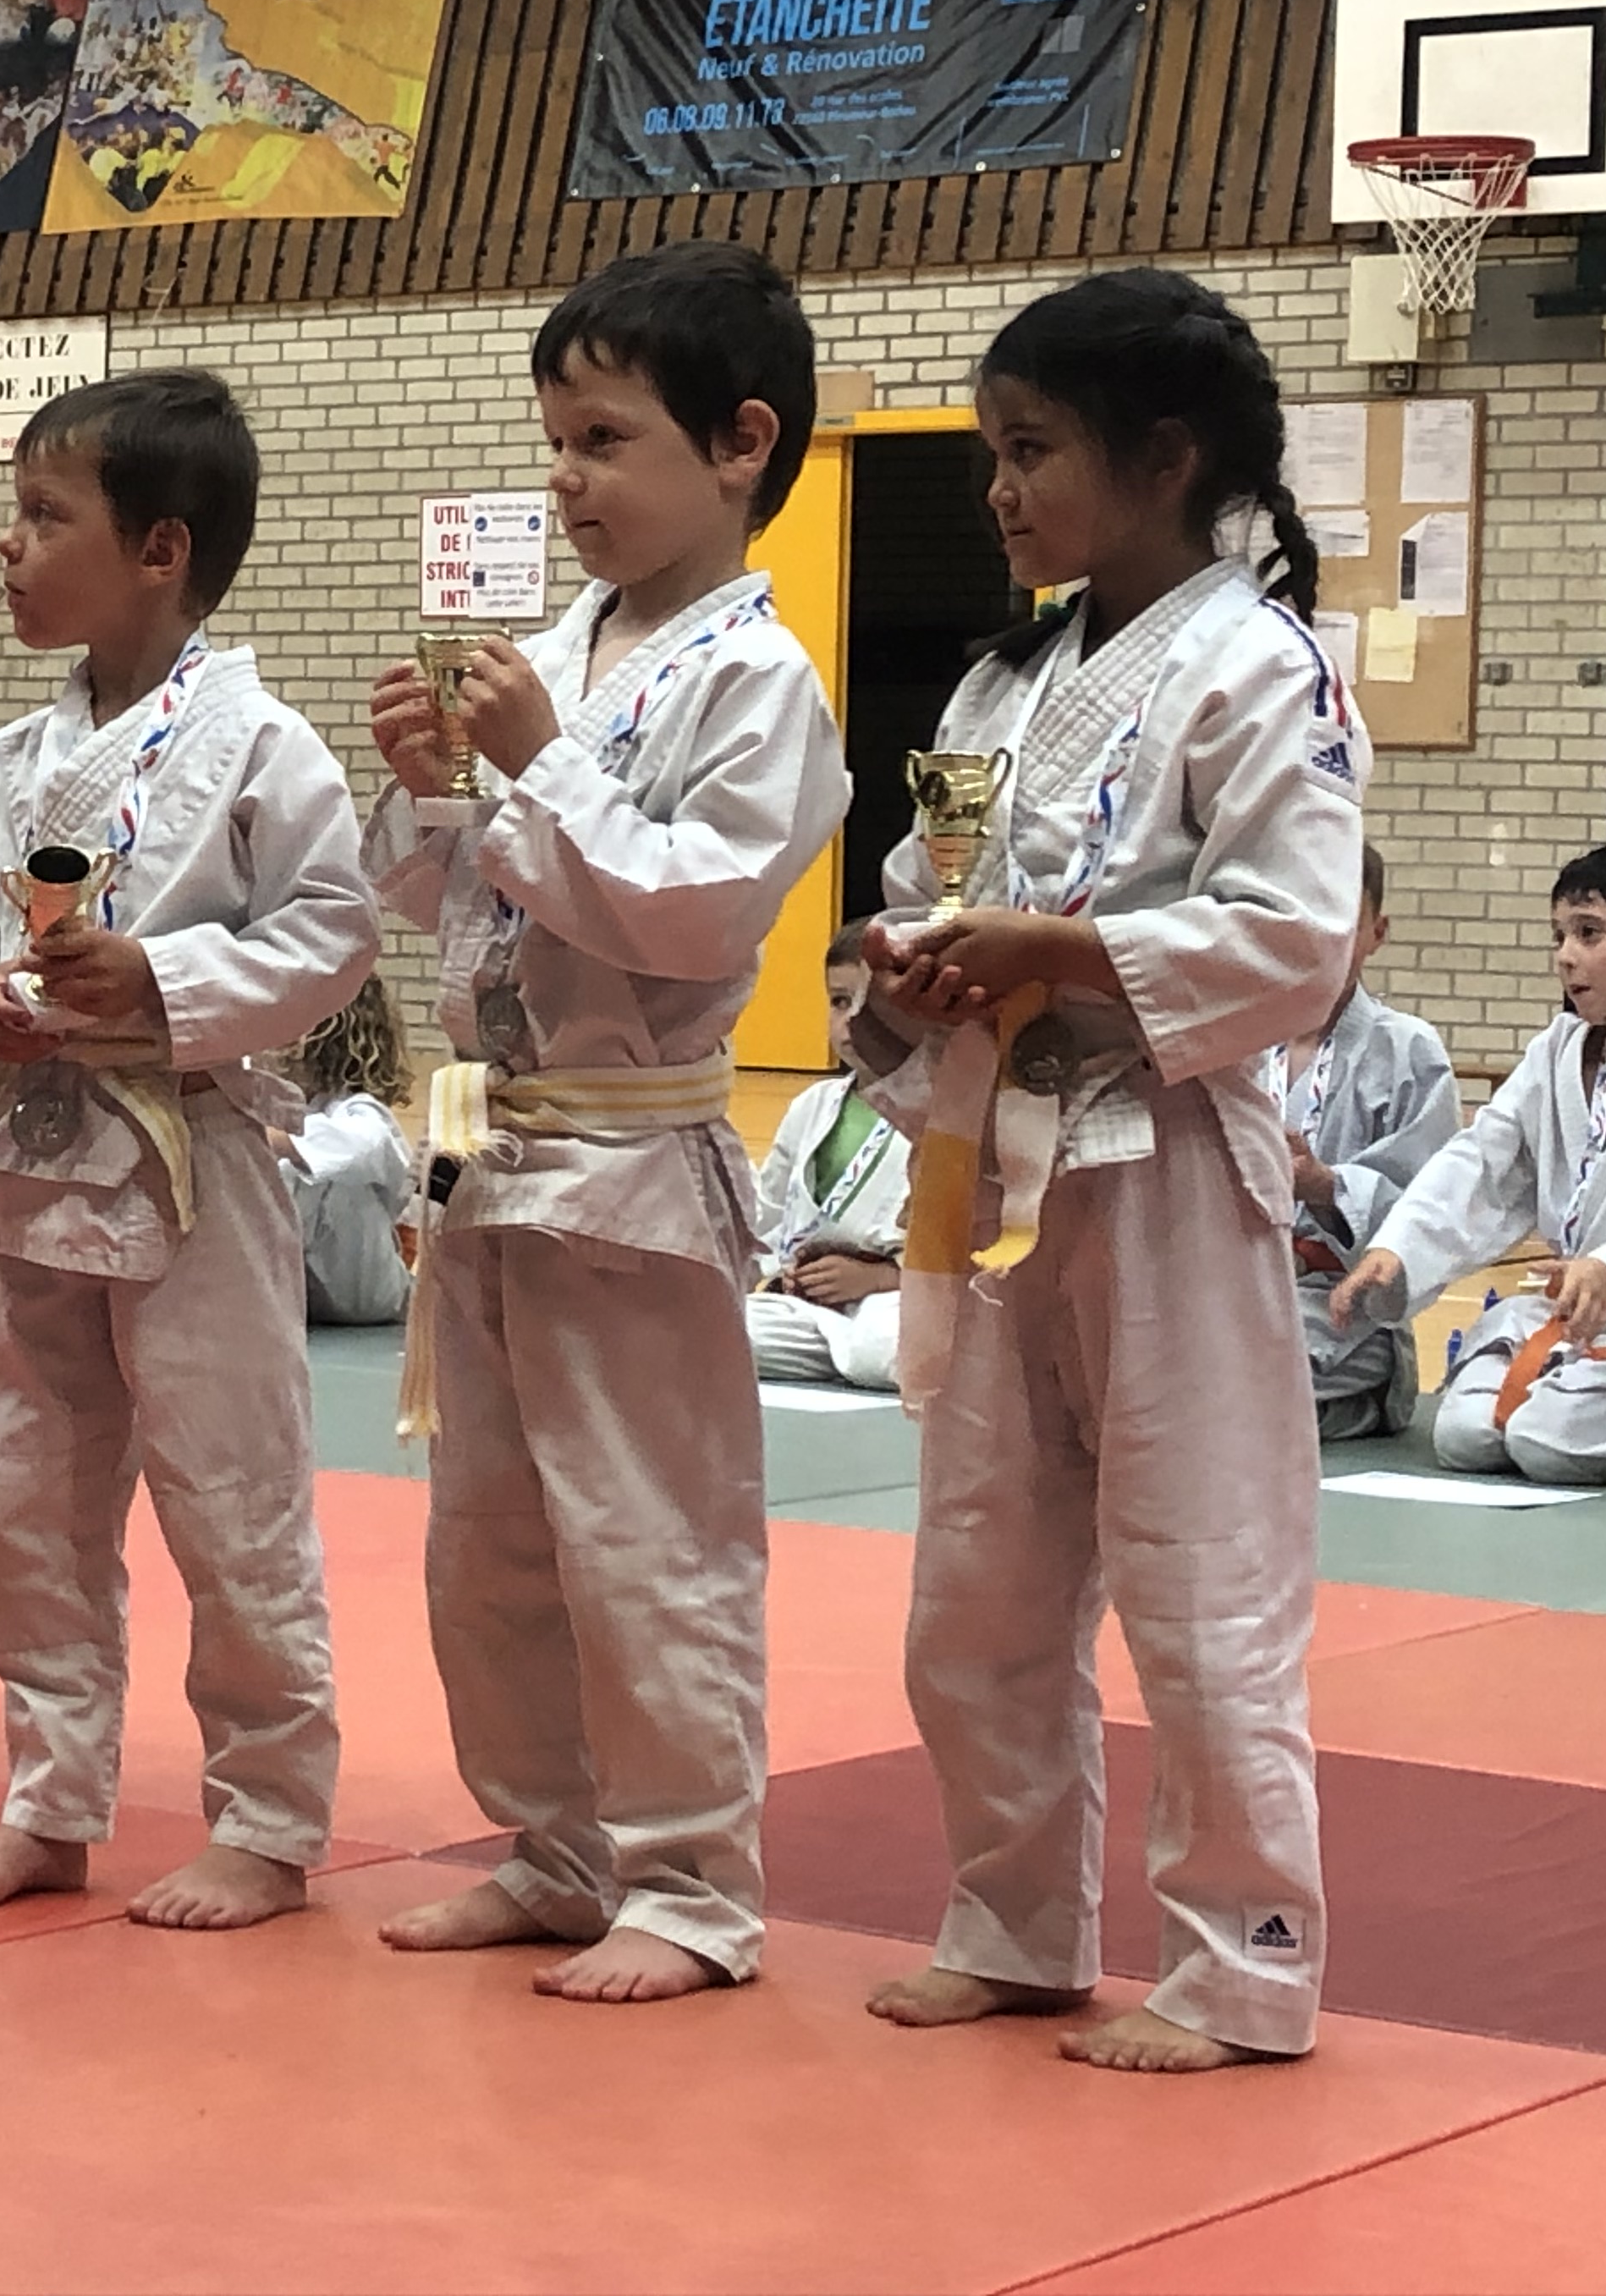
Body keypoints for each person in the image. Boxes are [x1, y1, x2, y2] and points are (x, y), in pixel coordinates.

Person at [851, 269, 1366, 2073]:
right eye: (992, 454)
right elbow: (925, 891)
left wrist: (1059, 950)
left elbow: (1297, 940)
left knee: (1203, 1581)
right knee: (976, 1586)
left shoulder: (1264, 664)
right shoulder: (1004, 679)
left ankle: (1242, 1961)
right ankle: (1012, 1924)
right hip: (999, 1160)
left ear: (1163, 458)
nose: (999, 491)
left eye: (1032, 450)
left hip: (1169, 1165)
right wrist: (904, 965)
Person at [364, 241, 847, 2002]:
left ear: (739, 444)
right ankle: (556, 1847)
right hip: (489, 1146)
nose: (567, 479)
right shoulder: (557, 648)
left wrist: (538, 761)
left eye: (604, 440)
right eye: (554, 441)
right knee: (491, 1540)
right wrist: (428, 795)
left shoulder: (759, 680)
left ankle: (693, 1885)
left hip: (631, 1155)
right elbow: (448, 907)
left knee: (650, 1537)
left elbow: (692, 916)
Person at [0, 368, 376, 1930]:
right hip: (31, 1155)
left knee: (230, 1494)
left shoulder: (265, 746)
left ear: (159, 547)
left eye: (46, 516)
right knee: (28, 1504)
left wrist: (164, 982)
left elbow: (331, 932)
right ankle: (49, 1801)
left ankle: (269, 1816)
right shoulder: (9, 756)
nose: (9, 545)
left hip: (194, 1160)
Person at [1332, 840, 1606, 1489]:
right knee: (1465, 1435)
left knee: (1552, 1442)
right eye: (1559, 935)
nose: (1566, 955)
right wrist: (1398, 1246)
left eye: (1589, 933)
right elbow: (1484, 1159)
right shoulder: (1557, 1052)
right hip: (1568, 1317)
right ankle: (1603, 1397)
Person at [1283, 845, 1460, 1440]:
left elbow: (1433, 1211)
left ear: (1376, 932)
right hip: (1230, 1290)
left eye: (1341, 918)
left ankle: (1371, 1394)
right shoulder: (1233, 1042)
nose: (1320, 936)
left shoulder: (1409, 1051)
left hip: (1341, 1306)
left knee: (1236, 1382)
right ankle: (1335, 1413)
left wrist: (1325, 1187)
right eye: (1304, 914)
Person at [746, 918, 910, 1393]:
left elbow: (963, 1251)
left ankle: (855, 1352)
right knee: (718, 1329)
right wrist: (782, 1275)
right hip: (810, 1307)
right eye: (839, 1001)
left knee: (882, 1343)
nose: (851, 1020)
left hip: (896, 1299)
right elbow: (766, 1221)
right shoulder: (812, 1106)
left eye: (870, 1003)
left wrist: (879, 1278)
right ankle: (844, 1352)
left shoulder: (946, 1107)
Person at [281, 976, 415, 1329]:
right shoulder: (290, 1105)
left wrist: (272, 1140)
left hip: (367, 1295)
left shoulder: (363, 1113)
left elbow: (359, 1147)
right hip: (301, 1292)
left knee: (319, 1173)